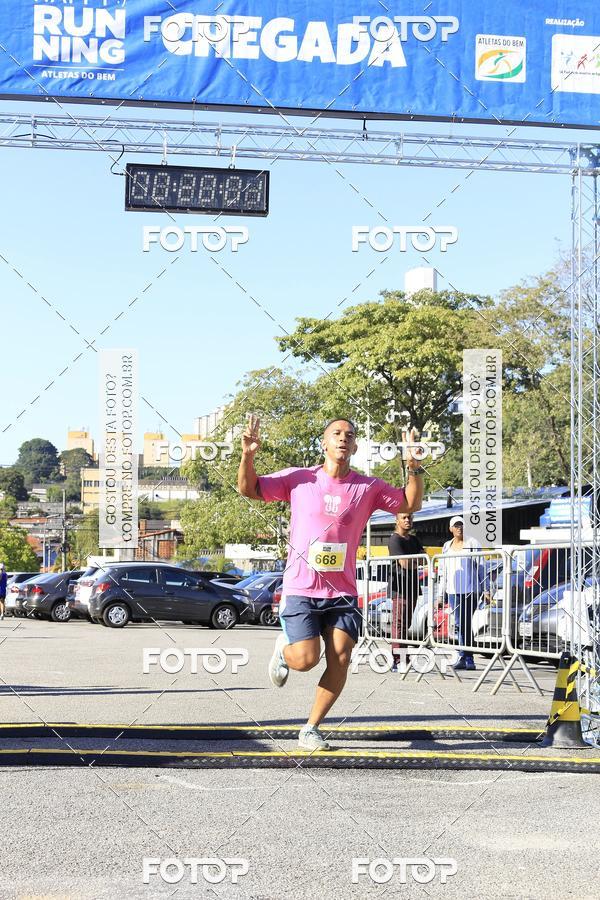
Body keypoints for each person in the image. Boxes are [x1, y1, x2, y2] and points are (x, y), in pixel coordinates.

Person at [238, 415, 424, 751]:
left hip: (342, 593)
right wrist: (248, 456)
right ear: (324, 443)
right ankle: (284, 649)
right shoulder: (299, 479)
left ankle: (311, 728)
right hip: (301, 589)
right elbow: (249, 489)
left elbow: (409, 503)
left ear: (354, 446)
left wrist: (413, 466)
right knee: (307, 659)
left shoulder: (368, 487)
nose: (343, 439)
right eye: (336, 434)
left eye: (349, 435)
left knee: (341, 655)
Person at [438, 516, 483, 670]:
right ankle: (464, 657)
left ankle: (468, 657)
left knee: (465, 623)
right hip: (452, 591)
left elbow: (481, 567)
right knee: (459, 624)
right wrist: (440, 593)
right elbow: (442, 571)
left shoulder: (473, 543)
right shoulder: (446, 546)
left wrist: (486, 588)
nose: (459, 528)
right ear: (450, 529)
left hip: (470, 591)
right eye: (456, 526)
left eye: (461, 525)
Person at [387, 513, 426, 670]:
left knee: (406, 624)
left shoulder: (414, 540)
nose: (407, 520)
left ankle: (404, 657)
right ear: (397, 520)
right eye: (404, 518)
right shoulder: (395, 539)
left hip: (413, 587)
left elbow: (425, 559)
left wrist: (414, 561)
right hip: (400, 587)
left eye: (410, 517)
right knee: (399, 624)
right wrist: (415, 561)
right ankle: (398, 660)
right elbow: (404, 564)